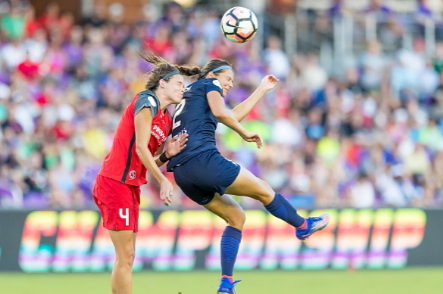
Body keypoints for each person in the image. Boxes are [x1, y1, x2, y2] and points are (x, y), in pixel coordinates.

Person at [166, 59, 330, 294]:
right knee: (263, 189)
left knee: (236, 217)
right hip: (203, 161)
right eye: (228, 79)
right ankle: (303, 225)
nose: (230, 84)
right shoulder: (209, 83)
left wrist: (261, 89)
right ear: (213, 74)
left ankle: (226, 283)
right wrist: (244, 133)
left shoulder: (193, 93)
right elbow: (222, 113)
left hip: (183, 173)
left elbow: (230, 114)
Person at [93, 48, 196, 294]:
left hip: (130, 186)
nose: (183, 88)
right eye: (179, 83)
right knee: (125, 255)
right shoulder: (146, 100)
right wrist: (163, 181)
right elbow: (140, 148)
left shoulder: (167, 119)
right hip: (114, 181)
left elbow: (147, 160)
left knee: (128, 256)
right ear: (162, 83)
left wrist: (166, 155)